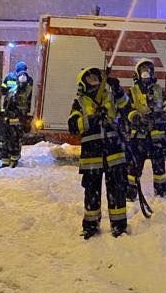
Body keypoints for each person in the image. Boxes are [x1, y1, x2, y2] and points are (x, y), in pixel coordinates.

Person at [67, 67, 130, 239]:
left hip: (114, 154)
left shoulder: (109, 97)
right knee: (91, 193)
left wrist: (118, 89)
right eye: (90, 78)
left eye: (96, 78)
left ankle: (119, 225)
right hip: (92, 157)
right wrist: (91, 120)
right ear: (83, 83)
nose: (94, 80)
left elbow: (126, 106)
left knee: (117, 191)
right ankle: (91, 225)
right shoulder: (79, 103)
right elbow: (73, 125)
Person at [125, 58, 166, 201]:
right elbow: (127, 110)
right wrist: (136, 118)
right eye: (143, 70)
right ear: (138, 73)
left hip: (156, 137)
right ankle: (130, 194)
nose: (146, 73)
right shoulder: (132, 91)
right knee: (134, 168)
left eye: (149, 70)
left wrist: (164, 112)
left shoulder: (158, 90)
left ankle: (160, 194)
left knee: (159, 169)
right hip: (139, 137)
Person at [0, 61, 29, 162]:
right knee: (14, 137)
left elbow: (2, 90)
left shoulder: (9, 77)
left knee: (3, 136)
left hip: (5, 112)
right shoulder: (26, 80)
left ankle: (0, 155)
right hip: (15, 113)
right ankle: (11, 156)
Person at [0, 69, 33, 168]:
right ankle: (5, 161)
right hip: (9, 121)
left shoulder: (28, 92)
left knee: (15, 142)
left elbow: (29, 108)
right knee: (7, 141)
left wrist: (26, 121)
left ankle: (14, 160)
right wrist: (4, 115)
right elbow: (6, 104)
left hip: (18, 123)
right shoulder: (12, 91)